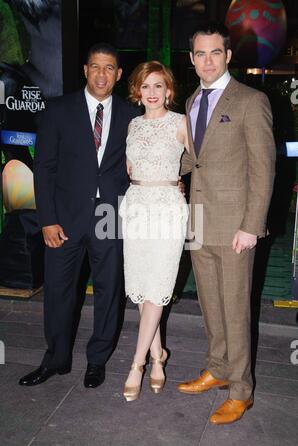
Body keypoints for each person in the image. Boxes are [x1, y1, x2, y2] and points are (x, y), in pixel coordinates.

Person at [19, 43, 138, 388]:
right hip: (64, 218)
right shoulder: (58, 110)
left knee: (108, 289)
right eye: (95, 67)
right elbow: (44, 169)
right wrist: (47, 220)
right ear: (86, 70)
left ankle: (97, 360)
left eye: (109, 68)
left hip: (109, 214)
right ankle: (55, 359)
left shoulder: (132, 116)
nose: (102, 74)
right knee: (58, 290)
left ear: (117, 74)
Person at [177, 23, 275, 424]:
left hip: (236, 227)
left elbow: (263, 168)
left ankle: (241, 390)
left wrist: (251, 225)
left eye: (215, 52)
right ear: (191, 59)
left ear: (228, 55)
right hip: (200, 223)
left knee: (236, 310)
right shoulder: (190, 101)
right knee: (211, 305)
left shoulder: (251, 100)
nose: (207, 60)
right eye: (200, 54)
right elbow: (194, 159)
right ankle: (218, 369)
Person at [119, 61, 189, 401]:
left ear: (169, 90)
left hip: (167, 210)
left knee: (158, 286)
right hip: (135, 207)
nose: (152, 93)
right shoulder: (132, 125)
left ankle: (137, 365)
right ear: (137, 91)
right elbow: (130, 167)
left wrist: (182, 183)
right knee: (144, 288)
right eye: (145, 86)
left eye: (158, 86)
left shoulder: (181, 123)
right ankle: (158, 357)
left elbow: (203, 160)